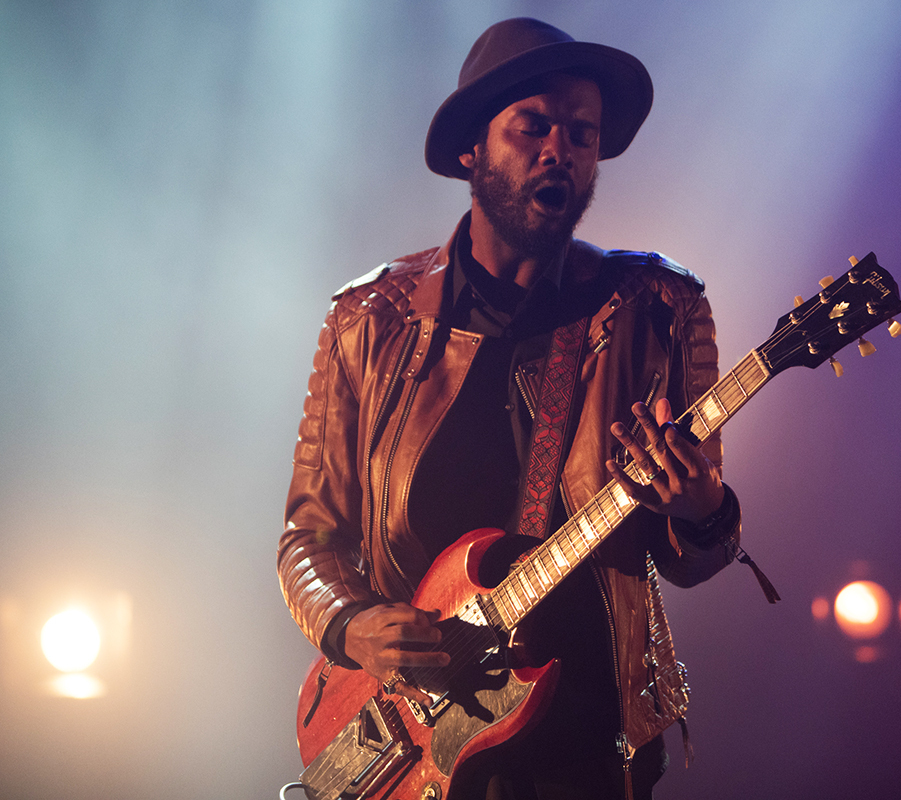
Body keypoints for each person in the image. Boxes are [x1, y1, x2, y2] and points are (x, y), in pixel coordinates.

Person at [278, 17, 742, 800]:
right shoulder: (370, 321)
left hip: (587, 751)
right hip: (416, 746)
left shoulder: (656, 309)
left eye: (583, 134)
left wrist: (702, 510)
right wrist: (352, 628)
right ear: (472, 148)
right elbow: (309, 539)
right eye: (534, 127)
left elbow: (690, 559)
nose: (562, 149)